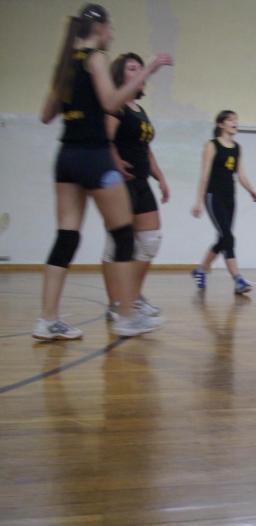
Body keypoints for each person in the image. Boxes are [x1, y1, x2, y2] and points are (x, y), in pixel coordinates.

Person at [33, 3, 172, 340]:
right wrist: (148, 68)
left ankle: (47, 320)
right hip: (94, 158)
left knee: (67, 237)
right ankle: (126, 316)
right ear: (100, 28)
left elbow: (46, 115)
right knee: (124, 235)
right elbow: (111, 103)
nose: (112, 35)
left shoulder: (66, 63)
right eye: (111, 29)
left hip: (66, 157)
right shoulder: (95, 58)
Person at [102, 52, 170, 322]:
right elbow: (105, 138)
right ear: (120, 75)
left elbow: (146, 149)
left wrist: (160, 177)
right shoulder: (116, 106)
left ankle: (133, 297)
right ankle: (116, 303)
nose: (139, 72)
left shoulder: (139, 111)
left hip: (141, 183)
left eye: (141, 68)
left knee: (150, 241)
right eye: (132, 68)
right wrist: (115, 160)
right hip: (119, 183)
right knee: (118, 244)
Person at [191, 111, 256, 294]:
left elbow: (241, 174)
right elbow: (204, 175)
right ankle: (237, 279)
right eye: (230, 120)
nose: (235, 122)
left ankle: (201, 269)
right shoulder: (211, 146)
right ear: (221, 124)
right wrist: (198, 201)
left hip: (230, 197)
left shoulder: (237, 148)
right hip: (213, 196)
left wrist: (251, 190)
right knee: (228, 237)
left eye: (236, 119)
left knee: (223, 238)